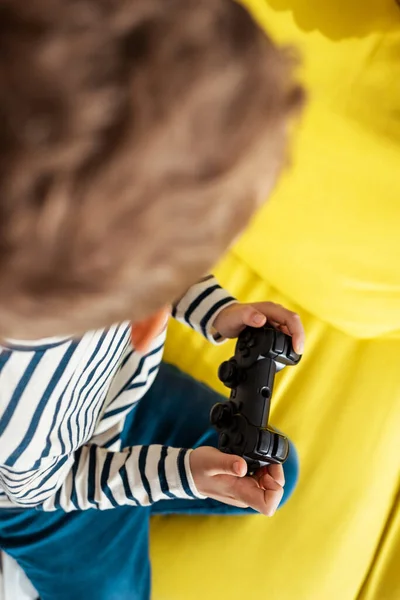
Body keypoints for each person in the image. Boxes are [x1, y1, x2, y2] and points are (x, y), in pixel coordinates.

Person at [0, 0, 305, 598]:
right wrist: (180, 476)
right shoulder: (14, 419)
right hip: (44, 489)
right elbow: (66, 483)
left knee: (276, 469)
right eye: (202, 255)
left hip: (109, 388)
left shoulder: (74, 248)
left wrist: (218, 310)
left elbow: (156, 264)